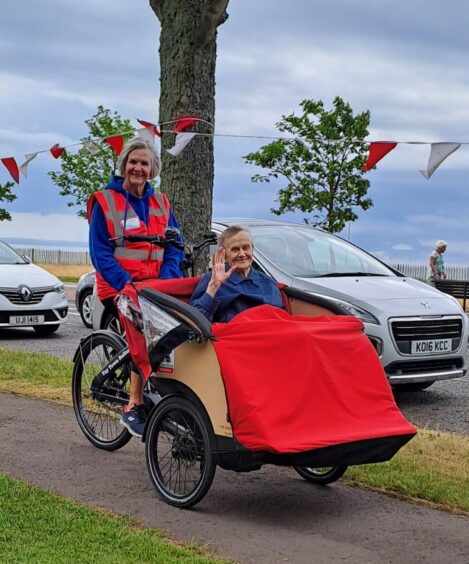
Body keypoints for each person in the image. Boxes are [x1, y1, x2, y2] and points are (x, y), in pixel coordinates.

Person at [88, 137, 183, 437]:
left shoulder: (162, 202)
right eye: (133, 162)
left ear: (152, 168)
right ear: (124, 165)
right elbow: (100, 253)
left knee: (185, 325)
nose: (138, 168)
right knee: (142, 326)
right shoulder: (104, 201)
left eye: (144, 163)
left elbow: (175, 245)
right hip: (118, 285)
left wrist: (167, 280)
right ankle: (134, 404)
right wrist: (127, 285)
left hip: (155, 285)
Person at [189, 225, 284, 323]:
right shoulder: (212, 279)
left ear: (252, 250)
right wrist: (213, 287)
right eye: (235, 249)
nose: (242, 254)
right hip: (235, 333)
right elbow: (194, 321)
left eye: (246, 248)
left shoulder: (267, 282)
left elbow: (281, 317)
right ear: (224, 255)